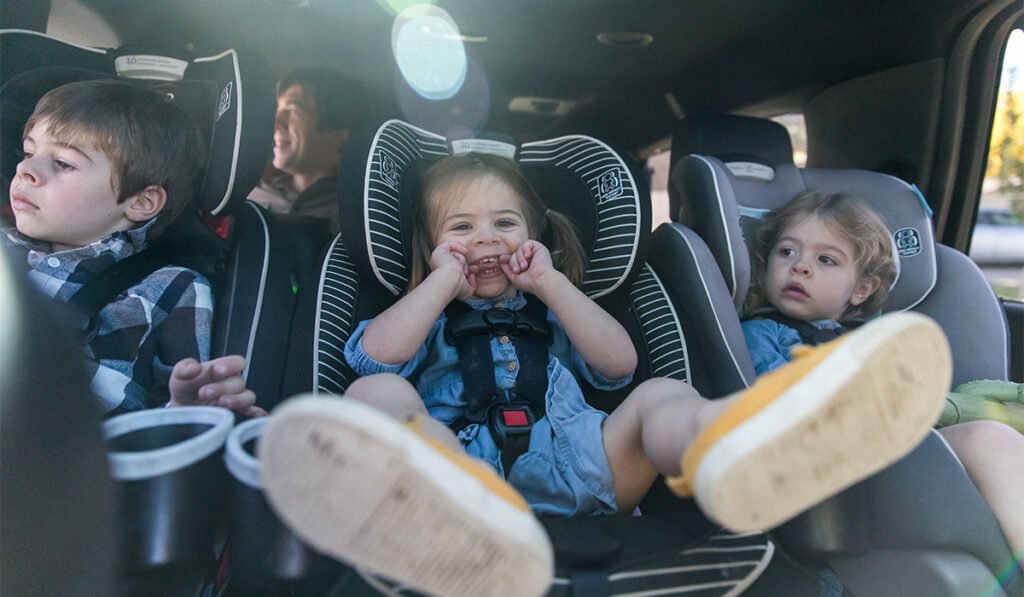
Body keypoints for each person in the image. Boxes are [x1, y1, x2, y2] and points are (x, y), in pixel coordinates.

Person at [259, 154, 951, 597]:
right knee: (375, 394)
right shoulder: (422, 313)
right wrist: (440, 283)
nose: (486, 239)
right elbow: (376, 357)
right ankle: (457, 511)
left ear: (536, 238)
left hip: (584, 465)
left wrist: (554, 285)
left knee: (656, 398)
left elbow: (618, 363)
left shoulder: (554, 304)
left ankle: (732, 442)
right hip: (462, 466)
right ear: (432, 246)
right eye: (461, 227)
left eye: (505, 222)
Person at [741, 189, 1023, 563]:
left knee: (992, 437)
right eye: (787, 251)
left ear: (861, 289)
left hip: (897, 450)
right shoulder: (762, 333)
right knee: (986, 438)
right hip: (842, 464)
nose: (800, 266)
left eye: (826, 260)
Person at [4, 79, 262, 418]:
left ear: (141, 202)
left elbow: (171, 414)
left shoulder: (170, 288)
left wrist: (186, 409)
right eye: (28, 153)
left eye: (64, 163)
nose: (26, 170)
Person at [248, 67, 369, 233]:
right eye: (277, 111)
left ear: (338, 135)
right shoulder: (246, 192)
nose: (276, 122)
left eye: (291, 111)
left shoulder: (357, 216)